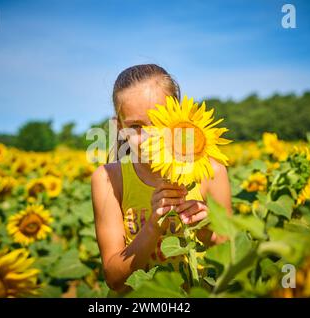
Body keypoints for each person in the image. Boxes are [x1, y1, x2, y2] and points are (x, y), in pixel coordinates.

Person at [91, 64, 232, 292]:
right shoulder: (109, 179)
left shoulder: (210, 171)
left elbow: (232, 255)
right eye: (135, 126)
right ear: (119, 128)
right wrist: (153, 227)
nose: (149, 137)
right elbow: (114, 279)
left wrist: (206, 231)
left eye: (159, 122)